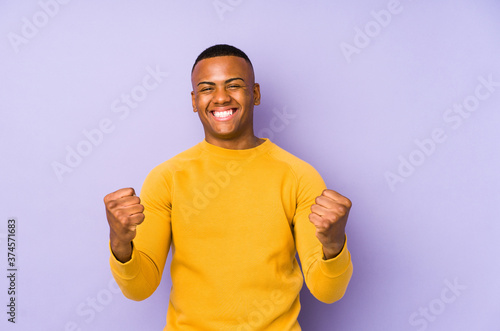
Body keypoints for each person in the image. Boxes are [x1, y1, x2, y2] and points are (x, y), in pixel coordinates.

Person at [104, 44, 353, 330]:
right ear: (194, 100)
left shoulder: (299, 176)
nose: (221, 98)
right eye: (207, 89)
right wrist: (120, 242)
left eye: (233, 85)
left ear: (255, 94)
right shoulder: (167, 177)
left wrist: (334, 245)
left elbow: (328, 291)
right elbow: (140, 288)